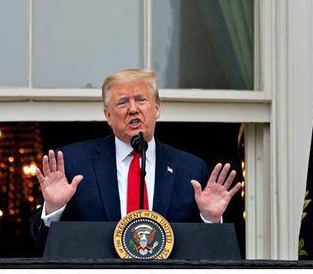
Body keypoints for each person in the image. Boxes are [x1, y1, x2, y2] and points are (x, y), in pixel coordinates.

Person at [31, 69, 241, 246]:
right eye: (122, 103)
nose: (133, 109)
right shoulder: (75, 163)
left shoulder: (190, 169)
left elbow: (207, 253)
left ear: (157, 108)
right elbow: (40, 244)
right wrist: (54, 209)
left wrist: (211, 220)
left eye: (141, 100)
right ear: (108, 116)